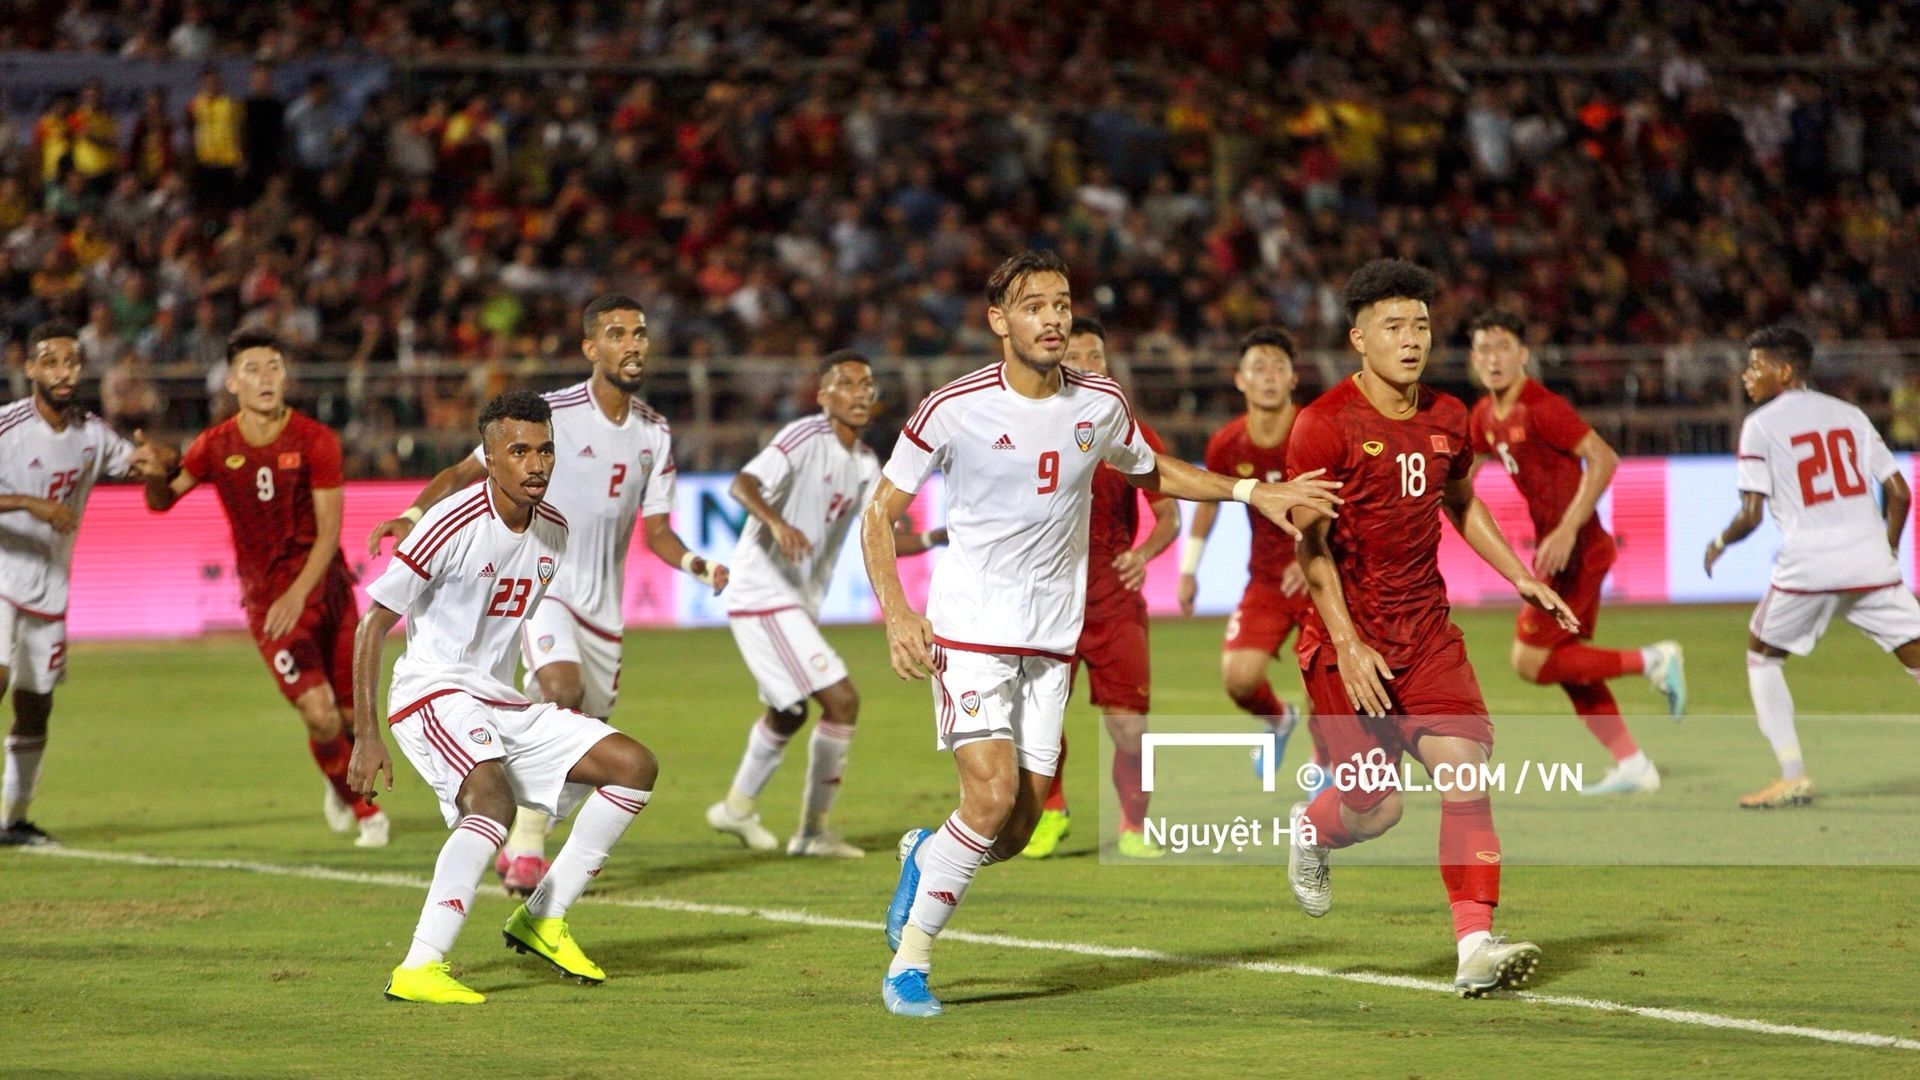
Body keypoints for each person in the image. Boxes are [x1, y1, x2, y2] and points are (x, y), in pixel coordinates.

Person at [861, 250, 1341, 1017]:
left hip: (1053, 639)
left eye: (1061, 303)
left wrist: (1257, 490)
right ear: (999, 322)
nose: (1052, 318)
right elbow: (878, 513)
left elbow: (1155, 473)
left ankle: (927, 850)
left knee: (1014, 829)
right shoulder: (952, 407)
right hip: (972, 630)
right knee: (988, 800)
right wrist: (897, 612)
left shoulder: (1101, 402)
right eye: (1033, 306)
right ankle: (910, 964)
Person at [1283, 259, 1576, 998]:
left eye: (1419, 325)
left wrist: (1521, 576)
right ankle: (1313, 828)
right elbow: (1310, 547)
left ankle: (1474, 947)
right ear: (1359, 339)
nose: (1411, 339)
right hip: (1342, 644)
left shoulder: (1449, 416)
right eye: (1393, 327)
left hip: (1426, 632)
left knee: (1465, 767)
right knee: (1376, 808)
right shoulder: (1322, 427)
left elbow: (1461, 501)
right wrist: (1348, 646)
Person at [369, 294, 723, 894]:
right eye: (616, 334)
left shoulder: (655, 433)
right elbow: (464, 473)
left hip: (604, 606)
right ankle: (524, 849)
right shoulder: (548, 417)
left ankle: (524, 836)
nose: (632, 344)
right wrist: (411, 512)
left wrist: (695, 564)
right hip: (544, 585)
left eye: (639, 333)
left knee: (591, 734)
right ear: (591, 349)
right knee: (561, 688)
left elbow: (657, 530)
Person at [347, 390, 660, 1005]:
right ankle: (420, 965)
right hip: (431, 691)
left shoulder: (553, 533)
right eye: (519, 451)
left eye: (545, 450)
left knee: (633, 767)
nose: (536, 463)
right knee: (491, 803)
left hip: (497, 700)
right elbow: (371, 624)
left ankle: (542, 917)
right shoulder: (450, 524)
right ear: (489, 458)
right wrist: (365, 734)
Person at [144, 330, 388, 846]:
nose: (266, 378)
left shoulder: (316, 440)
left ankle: (333, 776)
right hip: (267, 604)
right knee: (319, 715)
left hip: (329, 595)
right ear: (232, 382)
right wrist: (152, 474)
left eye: (274, 366)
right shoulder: (215, 445)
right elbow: (162, 501)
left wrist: (298, 593)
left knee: (348, 715)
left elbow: (329, 534)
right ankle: (365, 812)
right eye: (253, 369)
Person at [707, 350, 944, 858]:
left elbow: (882, 535)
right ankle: (813, 832)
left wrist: (934, 537)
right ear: (823, 394)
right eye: (848, 383)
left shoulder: (864, 464)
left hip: (796, 600)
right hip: (762, 589)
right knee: (842, 700)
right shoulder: (803, 436)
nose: (861, 393)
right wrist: (776, 522)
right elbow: (742, 483)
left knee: (788, 712)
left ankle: (736, 807)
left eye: (868, 385)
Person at [1465, 310, 1685, 796]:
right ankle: (1633, 764)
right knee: (1568, 666)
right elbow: (1464, 476)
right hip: (1559, 556)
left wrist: (1566, 529)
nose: (1492, 358)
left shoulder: (1542, 407)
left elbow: (1604, 457)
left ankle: (1652, 661)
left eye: (1502, 347)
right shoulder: (1484, 415)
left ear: (1523, 354)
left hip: (1578, 552)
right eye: (1483, 349)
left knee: (1531, 660)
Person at [1704, 325, 1920, 809]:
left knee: (1762, 654)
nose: (1746, 375)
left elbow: (1751, 514)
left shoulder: (1760, 425)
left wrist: (1718, 542)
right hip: (1870, 563)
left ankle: (1792, 773)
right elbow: (1901, 494)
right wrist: (1885, 551)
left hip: (1811, 566)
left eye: (1756, 365)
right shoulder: (1850, 414)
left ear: (1784, 371)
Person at [0, 322, 166, 845]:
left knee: (36, 703)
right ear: (29, 369)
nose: (63, 372)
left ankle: (16, 818)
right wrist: (31, 503)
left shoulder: (91, 434)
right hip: (1, 578)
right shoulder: (7, 427)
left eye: (71, 362)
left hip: (50, 589)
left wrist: (156, 462)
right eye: (50, 362)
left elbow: (141, 468)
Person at [1020, 317, 1179, 860]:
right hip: (1048, 600)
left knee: (1130, 729)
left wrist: (1144, 554)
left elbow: (1169, 516)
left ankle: (1134, 827)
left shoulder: (1128, 431)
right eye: (1081, 358)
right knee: (1040, 718)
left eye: (1099, 359)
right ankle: (1053, 810)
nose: (1092, 367)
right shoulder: (1033, 429)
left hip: (1113, 601)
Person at [1177, 327, 1318, 773]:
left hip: (1323, 575)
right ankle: (1278, 720)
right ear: (1240, 379)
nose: (1270, 376)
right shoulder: (1227, 443)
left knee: (1324, 682)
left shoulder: (1315, 430)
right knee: (1239, 680)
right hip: (1267, 581)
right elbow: (1208, 503)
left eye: (1279, 367)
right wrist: (1188, 569)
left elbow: (1345, 502)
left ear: (1294, 378)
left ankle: (1325, 768)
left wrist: (1312, 552)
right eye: (1259, 367)